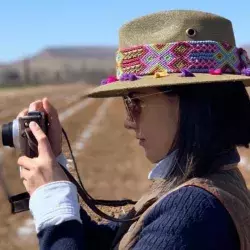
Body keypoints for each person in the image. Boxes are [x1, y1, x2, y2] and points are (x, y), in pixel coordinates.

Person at [17, 9, 250, 250]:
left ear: (189, 102)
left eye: (135, 101)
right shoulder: (207, 186)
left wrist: (53, 210)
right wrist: (56, 173)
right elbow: (121, 241)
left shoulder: (192, 214)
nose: (129, 122)